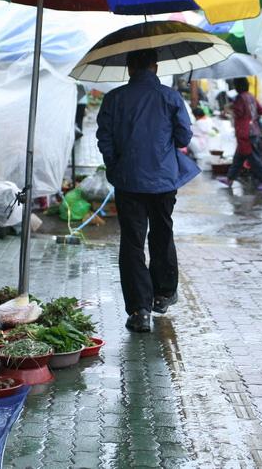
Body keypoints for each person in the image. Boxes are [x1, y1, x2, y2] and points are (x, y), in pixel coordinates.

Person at [96, 48, 199, 332]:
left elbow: (104, 138)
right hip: (163, 180)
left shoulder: (114, 99)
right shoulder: (169, 97)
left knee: (132, 241)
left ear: (130, 68)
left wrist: (115, 165)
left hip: (127, 180)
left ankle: (140, 311)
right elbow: (184, 136)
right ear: (155, 66)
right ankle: (163, 294)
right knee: (162, 232)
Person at [218, 78, 262, 190]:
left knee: (253, 159)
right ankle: (230, 179)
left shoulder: (240, 98)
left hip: (245, 133)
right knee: (238, 158)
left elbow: (238, 112)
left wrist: (228, 108)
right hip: (253, 131)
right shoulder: (251, 97)